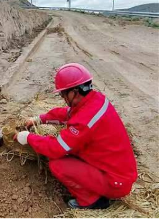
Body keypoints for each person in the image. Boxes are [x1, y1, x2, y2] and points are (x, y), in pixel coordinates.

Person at [15, 63, 137, 209]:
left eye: (63, 94)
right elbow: (68, 113)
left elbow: (56, 148)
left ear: (74, 92)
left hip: (115, 183)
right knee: (72, 154)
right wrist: (40, 118)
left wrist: (28, 137)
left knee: (57, 165)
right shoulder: (94, 100)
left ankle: (93, 201)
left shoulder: (85, 121)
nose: (62, 97)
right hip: (118, 172)